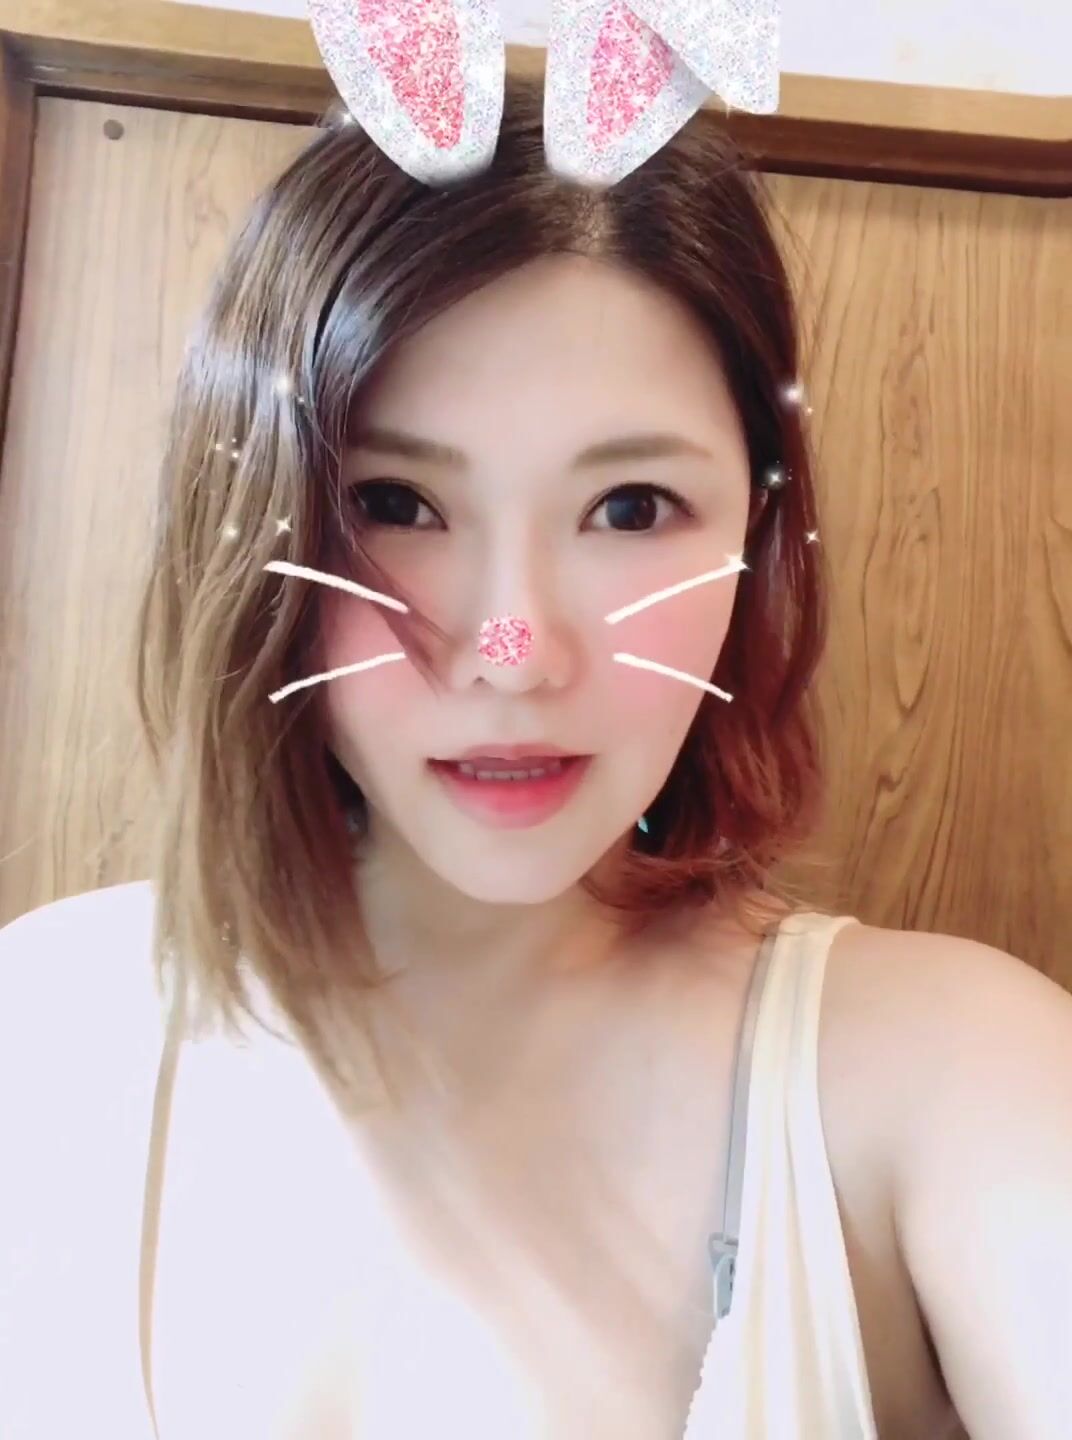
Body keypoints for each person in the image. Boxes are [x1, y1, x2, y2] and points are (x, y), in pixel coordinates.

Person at [2, 58, 1070, 1440]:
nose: (513, 654)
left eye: (631, 508)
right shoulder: (46, 1023)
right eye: (395, 502)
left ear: (753, 540)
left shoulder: (949, 1074)